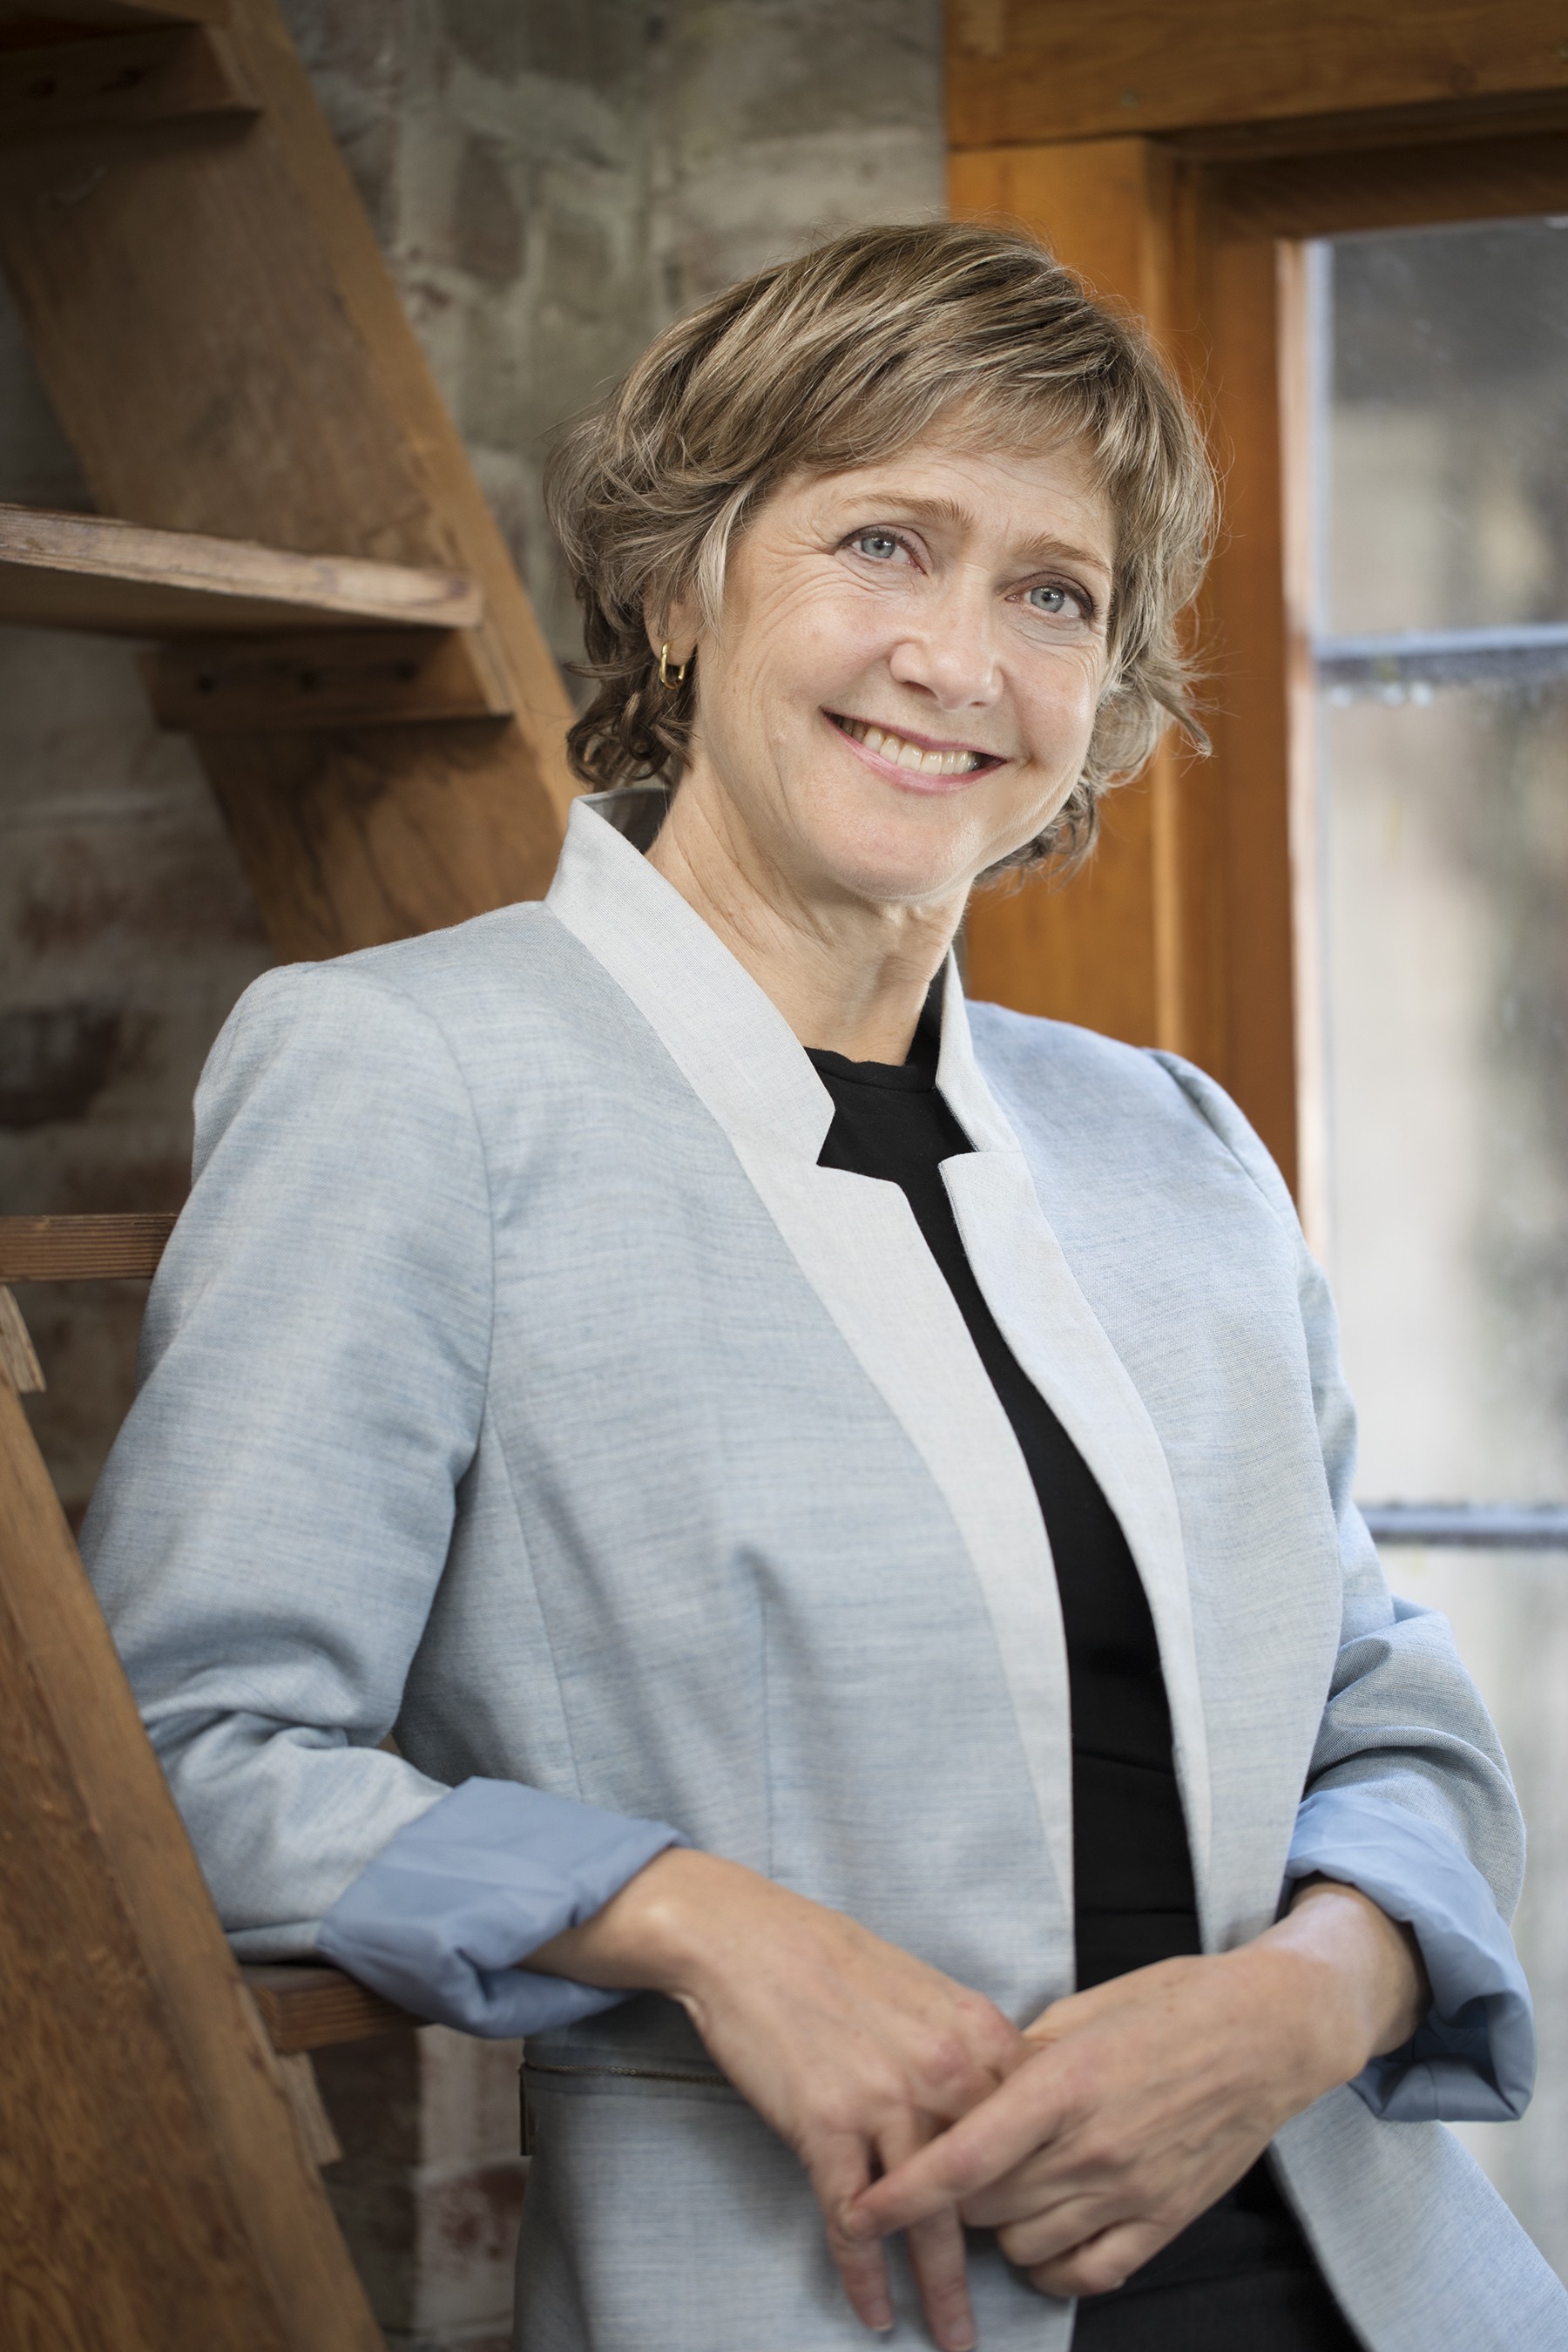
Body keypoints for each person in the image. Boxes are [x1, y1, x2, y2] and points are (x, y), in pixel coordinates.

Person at [84, 222, 1564, 2352]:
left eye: (1053, 591)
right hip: (829, 2295)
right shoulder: (409, 1074)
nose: (961, 659)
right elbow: (186, 1751)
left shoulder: (1178, 1144)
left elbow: (1390, 1709)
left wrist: (1305, 2000)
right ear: (684, 589)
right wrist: (689, 1920)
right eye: (885, 542)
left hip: (1394, 2288)